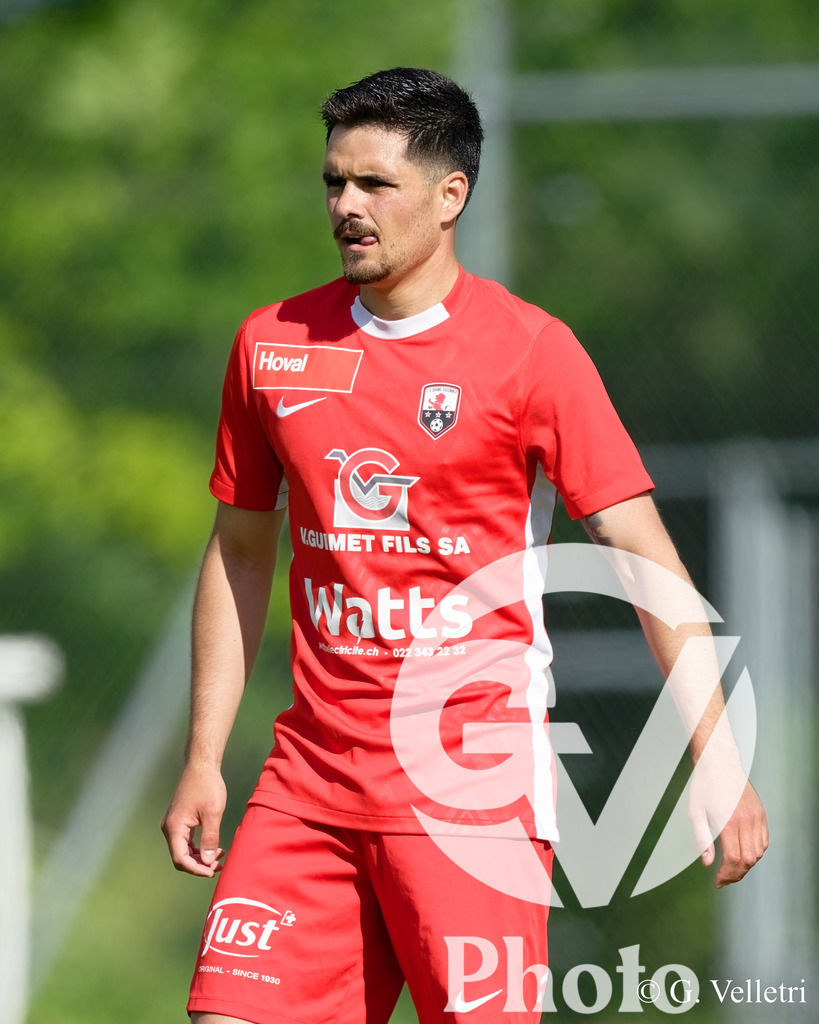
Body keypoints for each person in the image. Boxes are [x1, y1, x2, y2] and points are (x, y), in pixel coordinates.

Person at [161, 67, 768, 1024]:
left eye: (375, 185)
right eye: (334, 182)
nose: (346, 207)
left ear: (451, 197)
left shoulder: (531, 353)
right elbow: (239, 552)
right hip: (306, 790)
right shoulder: (271, 345)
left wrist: (716, 756)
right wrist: (203, 756)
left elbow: (640, 556)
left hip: (466, 802)